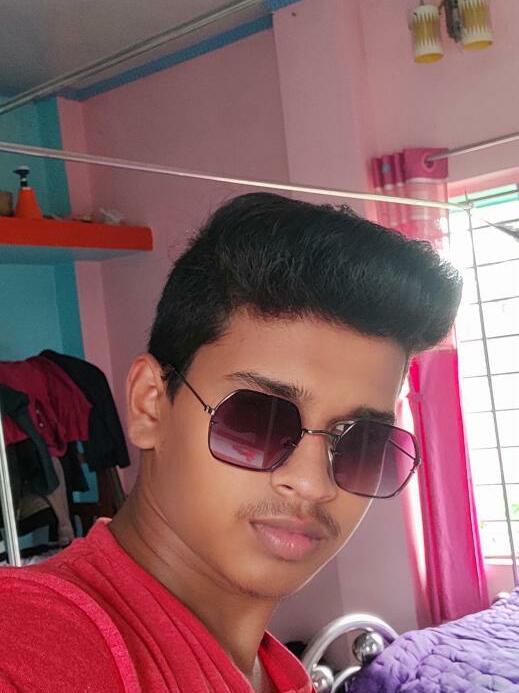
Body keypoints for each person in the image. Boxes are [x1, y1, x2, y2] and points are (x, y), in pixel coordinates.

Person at [0, 193, 462, 692]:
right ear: (150, 405)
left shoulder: (281, 674)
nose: (313, 483)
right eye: (256, 421)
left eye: (362, 443)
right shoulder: (32, 642)